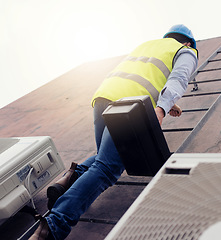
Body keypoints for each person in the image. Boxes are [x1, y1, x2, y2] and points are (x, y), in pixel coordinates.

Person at [29, 24, 198, 240]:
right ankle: (52, 227)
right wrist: (163, 107)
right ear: (187, 42)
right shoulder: (186, 51)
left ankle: (70, 178)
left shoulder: (148, 46)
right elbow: (178, 79)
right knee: (108, 168)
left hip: (103, 98)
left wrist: (164, 102)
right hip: (129, 104)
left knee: (103, 158)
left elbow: (143, 77)